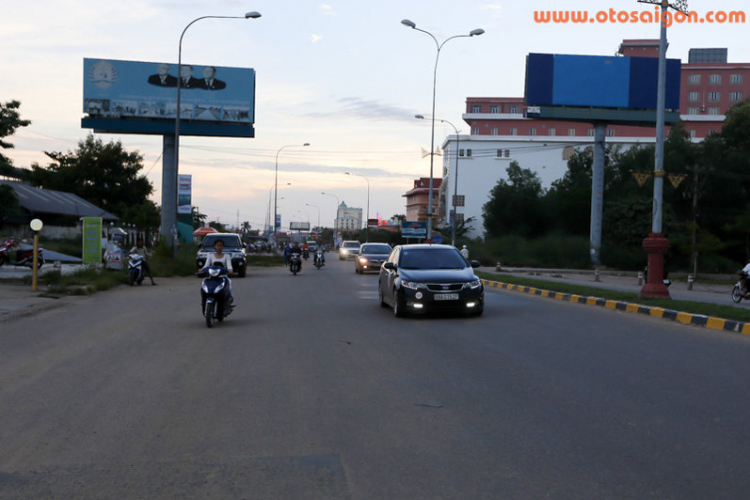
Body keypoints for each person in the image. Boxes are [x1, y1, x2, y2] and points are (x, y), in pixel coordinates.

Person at [202, 239, 234, 303]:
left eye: (221, 245)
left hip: (223, 277)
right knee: (204, 286)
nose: (219, 247)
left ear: (223, 247)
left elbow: (229, 266)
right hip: (212, 277)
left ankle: (227, 299)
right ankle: (204, 302)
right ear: (214, 246)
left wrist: (230, 270)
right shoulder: (210, 255)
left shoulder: (227, 256)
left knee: (228, 285)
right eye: (218, 245)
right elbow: (206, 266)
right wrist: (202, 269)